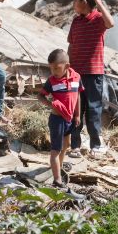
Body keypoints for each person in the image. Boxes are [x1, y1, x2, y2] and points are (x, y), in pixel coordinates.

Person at [67, 0, 115, 157]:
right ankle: (75, 146)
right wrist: (68, 68)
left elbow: (111, 23)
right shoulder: (76, 20)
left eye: (75, 0)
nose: (73, 4)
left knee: (94, 109)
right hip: (76, 73)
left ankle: (95, 145)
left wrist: (98, 1)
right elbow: (71, 45)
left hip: (93, 74)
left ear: (85, 2)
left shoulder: (98, 19)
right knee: (75, 110)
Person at [38, 49, 83, 189]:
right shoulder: (52, 81)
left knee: (66, 145)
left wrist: (77, 115)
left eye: (56, 68)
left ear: (67, 66)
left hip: (69, 118)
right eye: (51, 68)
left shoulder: (76, 78)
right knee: (55, 150)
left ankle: (59, 167)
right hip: (57, 119)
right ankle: (57, 180)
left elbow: (77, 97)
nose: (53, 71)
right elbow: (40, 96)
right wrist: (51, 104)